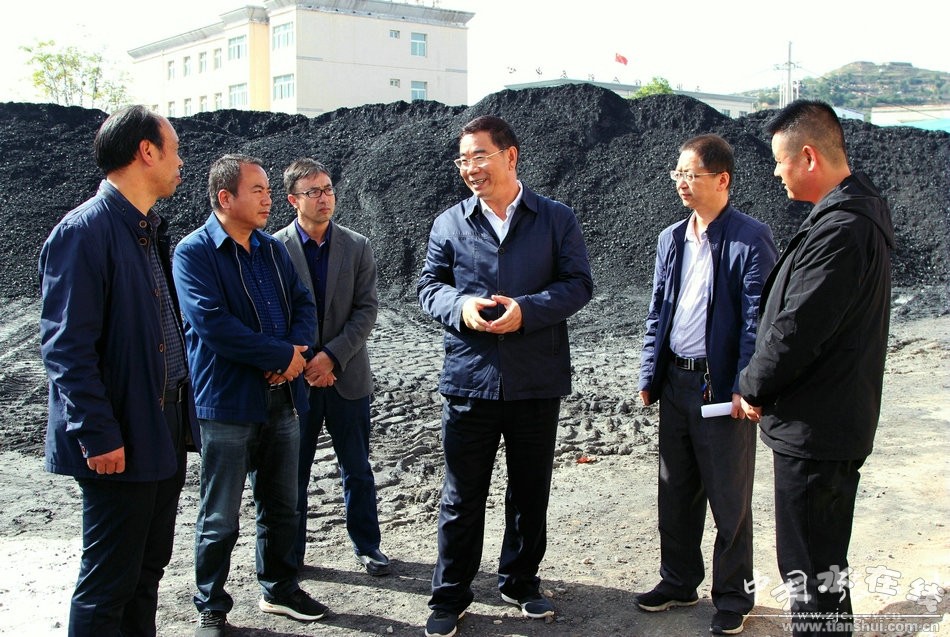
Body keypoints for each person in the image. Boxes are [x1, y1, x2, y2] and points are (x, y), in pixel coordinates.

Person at [417, 115, 594, 637]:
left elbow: (578, 283)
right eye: (463, 160)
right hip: (470, 379)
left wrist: (527, 310)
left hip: (535, 379)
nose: (470, 168)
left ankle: (521, 582)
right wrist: (460, 306)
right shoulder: (450, 223)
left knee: (529, 492)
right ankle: (450, 595)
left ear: (510, 156)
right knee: (461, 495)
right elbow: (428, 286)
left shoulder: (555, 218)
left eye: (480, 156)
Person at [38, 104, 198, 637]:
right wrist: (97, 433)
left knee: (147, 571)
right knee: (108, 582)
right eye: (174, 150)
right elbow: (66, 348)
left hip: (162, 425)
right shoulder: (84, 232)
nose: (181, 162)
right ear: (146, 151)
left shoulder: (146, 229)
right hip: (119, 435)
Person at [739, 100, 894, 637]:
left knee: (808, 570)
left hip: (816, 429)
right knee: (822, 565)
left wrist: (753, 385)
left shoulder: (842, 228)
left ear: (807, 157)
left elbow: (798, 328)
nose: (775, 173)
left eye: (779, 161)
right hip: (829, 420)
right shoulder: (855, 212)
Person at [172, 154, 327, 637]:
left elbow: (302, 303)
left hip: (282, 400)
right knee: (220, 514)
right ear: (225, 197)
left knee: (282, 504)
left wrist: (294, 352)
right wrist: (280, 356)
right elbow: (213, 325)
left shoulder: (270, 249)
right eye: (257, 190)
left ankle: (279, 588)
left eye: (268, 191)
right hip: (227, 404)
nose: (267, 200)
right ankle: (211, 605)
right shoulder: (193, 253)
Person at [637, 134, 778, 635]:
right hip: (675, 381)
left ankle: (734, 596)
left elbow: (757, 320)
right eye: (677, 173)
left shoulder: (750, 238)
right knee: (674, 489)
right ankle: (678, 581)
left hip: (720, 389)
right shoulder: (672, 238)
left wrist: (745, 384)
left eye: (691, 174)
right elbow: (658, 310)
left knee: (728, 497)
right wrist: (649, 373)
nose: (682, 182)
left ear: (722, 180)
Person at [273, 158, 390, 576]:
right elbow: (274, 315)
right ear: (293, 200)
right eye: (313, 192)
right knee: (292, 473)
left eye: (328, 189)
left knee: (357, 468)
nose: (324, 198)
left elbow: (366, 310)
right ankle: (291, 554)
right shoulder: (274, 249)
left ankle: (368, 545)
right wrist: (306, 361)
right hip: (296, 379)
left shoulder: (357, 246)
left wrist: (332, 356)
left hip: (347, 376)